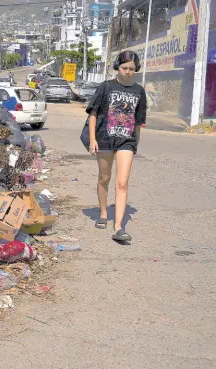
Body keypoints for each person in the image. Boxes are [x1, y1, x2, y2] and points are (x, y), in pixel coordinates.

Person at [86, 50, 147, 242]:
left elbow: (138, 122)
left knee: (122, 183)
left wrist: (135, 143)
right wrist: (92, 139)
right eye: (124, 68)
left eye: (132, 69)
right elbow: (93, 113)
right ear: (117, 68)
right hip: (104, 138)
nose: (128, 71)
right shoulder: (106, 87)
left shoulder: (139, 91)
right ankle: (103, 213)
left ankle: (119, 226)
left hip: (126, 141)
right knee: (104, 178)